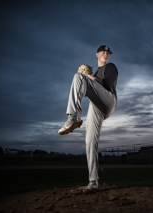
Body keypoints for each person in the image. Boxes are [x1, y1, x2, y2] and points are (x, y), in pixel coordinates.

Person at [58, 45, 118, 190]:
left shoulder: (111, 67)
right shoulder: (96, 72)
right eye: (103, 52)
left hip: (108, 100)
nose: (106, 54)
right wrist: (87, 78)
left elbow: (103, 84)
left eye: (108, 53)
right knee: (90, 141)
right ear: (97, 54)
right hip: (96, 105)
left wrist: (86, 76)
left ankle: (73, 117)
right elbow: (87, 87)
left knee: (78, 76)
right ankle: (93, 182)